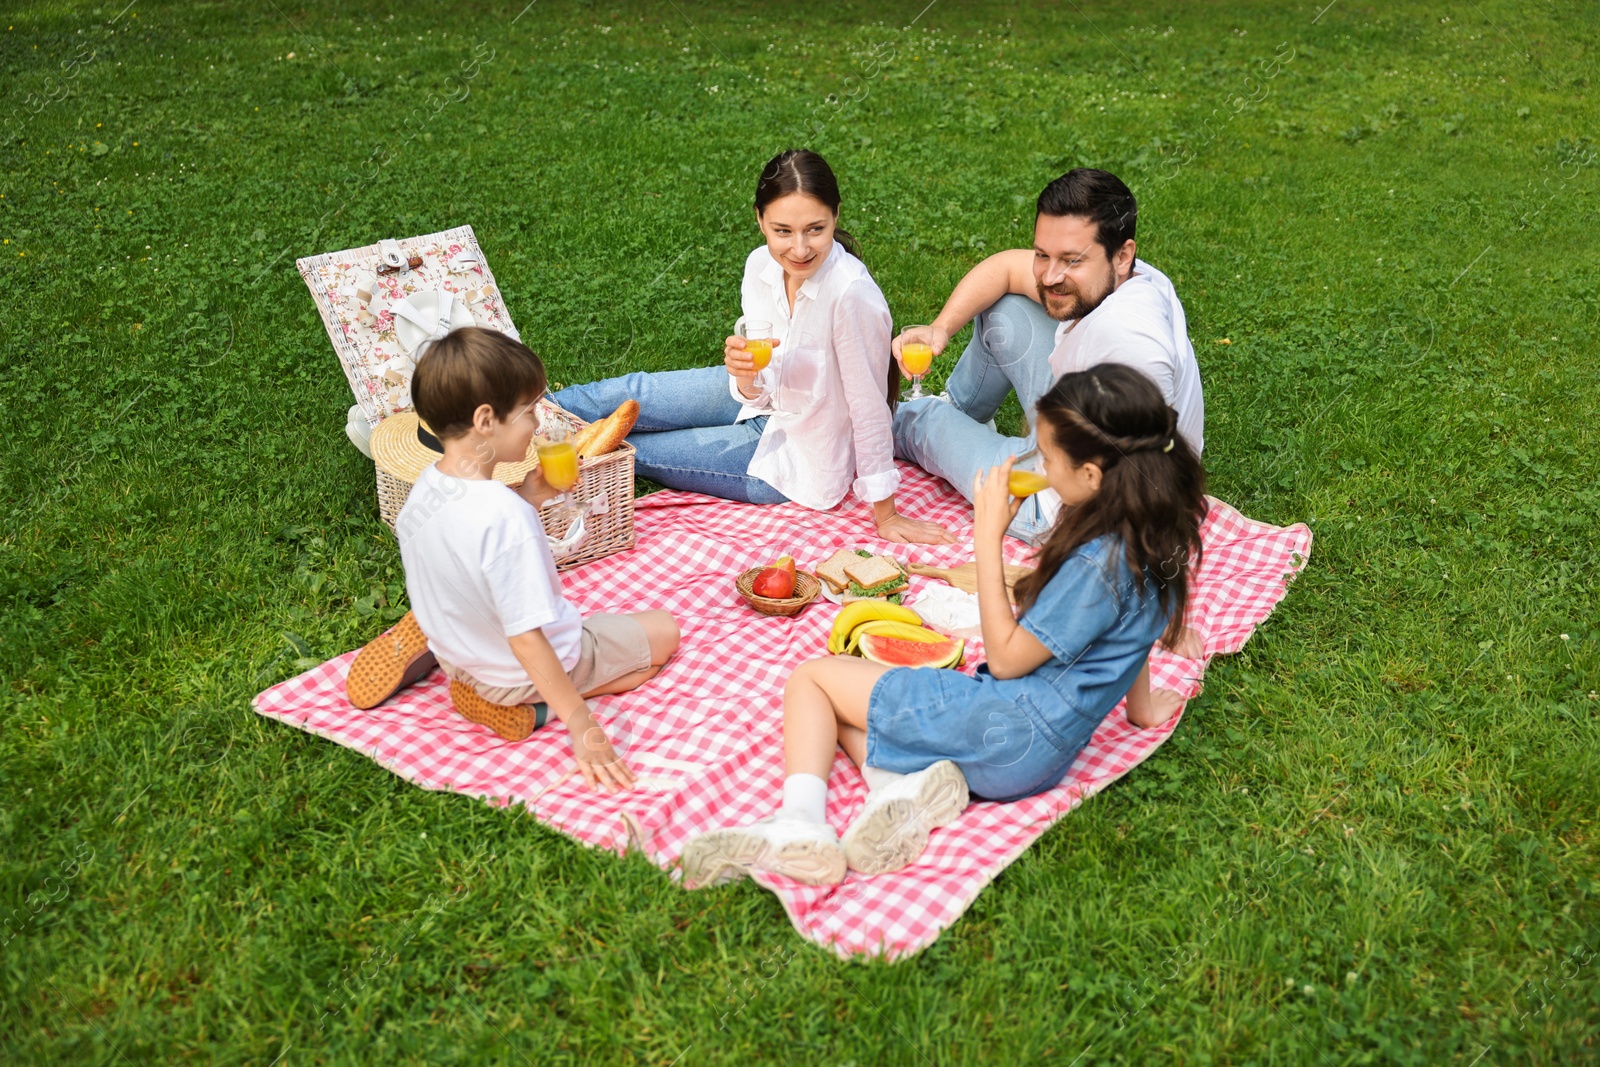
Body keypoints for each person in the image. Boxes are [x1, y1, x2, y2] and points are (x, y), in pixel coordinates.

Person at [678, 364, 1207, 887]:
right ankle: (894, 792)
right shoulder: (1155, 544)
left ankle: (800, 826)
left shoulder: (1093, 563)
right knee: (849, 710)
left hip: (1001, 727)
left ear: (1091, 476)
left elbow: (1004, 659)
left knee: (812, 679)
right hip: (1045, 759)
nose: (1040, 468)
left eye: (1047, 458)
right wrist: (1143, 710)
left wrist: (987, 536)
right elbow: (1134, 640)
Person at [552, 149, 953, 545]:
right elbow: (758, 384)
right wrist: (745, 378)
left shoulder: (851, 295)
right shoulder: (759, 267)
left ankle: (535, 463)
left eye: (816, 229)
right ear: (759, 219)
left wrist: (887, 513)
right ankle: (516, 421)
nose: (799, 249)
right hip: (760, 399)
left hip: (796, 453)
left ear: (836, 216)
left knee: (631, 449)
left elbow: (869, 406)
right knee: (631, 392)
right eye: (782, 231)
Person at [355, 327, 680, 792]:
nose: (537, 424)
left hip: (458, 655)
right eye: (529, 411)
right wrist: (582, 726)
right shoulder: (506, 518)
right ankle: (533, 708)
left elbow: (476, 539)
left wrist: (527, 494)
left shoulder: (426, 488)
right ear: (486, 420)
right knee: (663, 635)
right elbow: (528, 641)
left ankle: (455, 653)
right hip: (518, 670)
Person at [893, 168, 1204, 544]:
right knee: (1005, 312)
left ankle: (927, 418)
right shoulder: (1126, 277)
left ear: (1122, 256)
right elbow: (1007, 268)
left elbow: (1135, 488)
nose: (1050, 277)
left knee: (918, 423)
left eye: (1071, 261)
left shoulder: (1133, 345)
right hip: (1072, 427)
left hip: (1066, 504)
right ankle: (958, 412)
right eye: (1043, 254)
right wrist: (939, 328)